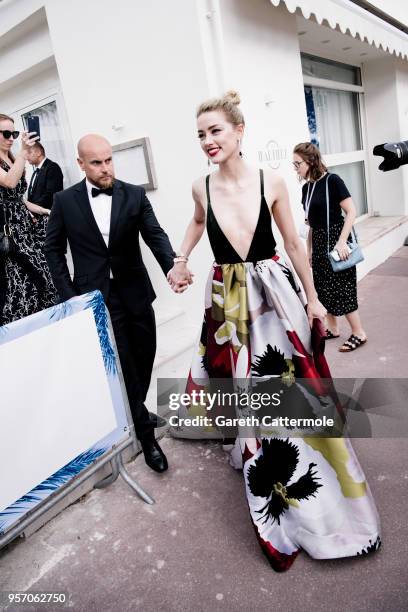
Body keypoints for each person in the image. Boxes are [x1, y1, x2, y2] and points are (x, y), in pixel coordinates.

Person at [167, 91, 380, 571]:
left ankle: (313, 475)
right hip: (228, 295)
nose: (208, 141)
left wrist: (313, 298)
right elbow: (198, 222)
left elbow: (293, 243)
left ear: (240, 131)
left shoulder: (274, 181)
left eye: (216, 131)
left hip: (273, 296)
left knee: (290, 383)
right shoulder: (200, 187)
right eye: (201, 134)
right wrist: (180, 259)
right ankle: (262, 464)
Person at [44, 134, 191, 473]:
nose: (106, 167)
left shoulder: (134, 194)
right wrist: (70, 297)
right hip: (97, 298)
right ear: (81, 164)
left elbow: (155, 234)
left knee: (145, 355)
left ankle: (135, 407)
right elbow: (52, 250)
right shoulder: (64, 201)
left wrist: (173, 265)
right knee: (124, 362)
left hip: (136, 292)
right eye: (97, 162)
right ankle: (146, 436)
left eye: (109, 159)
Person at [293, 142, 367, 352]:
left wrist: (342, 241)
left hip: (336, 241)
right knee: (323, 289)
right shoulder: (306, 188)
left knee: (344, 290)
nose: (295, 167)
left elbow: (351, 211)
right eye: (294, 164)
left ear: (311, 161)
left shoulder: (333, 180)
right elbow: (310, 225)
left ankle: (358, 333)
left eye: (298, 163)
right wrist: (309, 250)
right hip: (318, 242)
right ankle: (333, 329)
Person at [0, 113, 57, 325]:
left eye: (13, 133)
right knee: (18, 278)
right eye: (6, 133)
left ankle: (47, 321)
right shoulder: (18, 158)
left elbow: (19, 199)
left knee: (43, 269)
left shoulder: (14, 158)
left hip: (25, 225)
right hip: (8, 229)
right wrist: (24, 153)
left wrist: (44, 210)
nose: (11, 138)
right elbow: (9, 182)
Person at [26, 141, 64, 210]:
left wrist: (34, 209)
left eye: (29, 152)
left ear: (38, 153)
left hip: (49, 214)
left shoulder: (52, 167)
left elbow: (51, 194)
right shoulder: (36, 171)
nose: (26, 156)